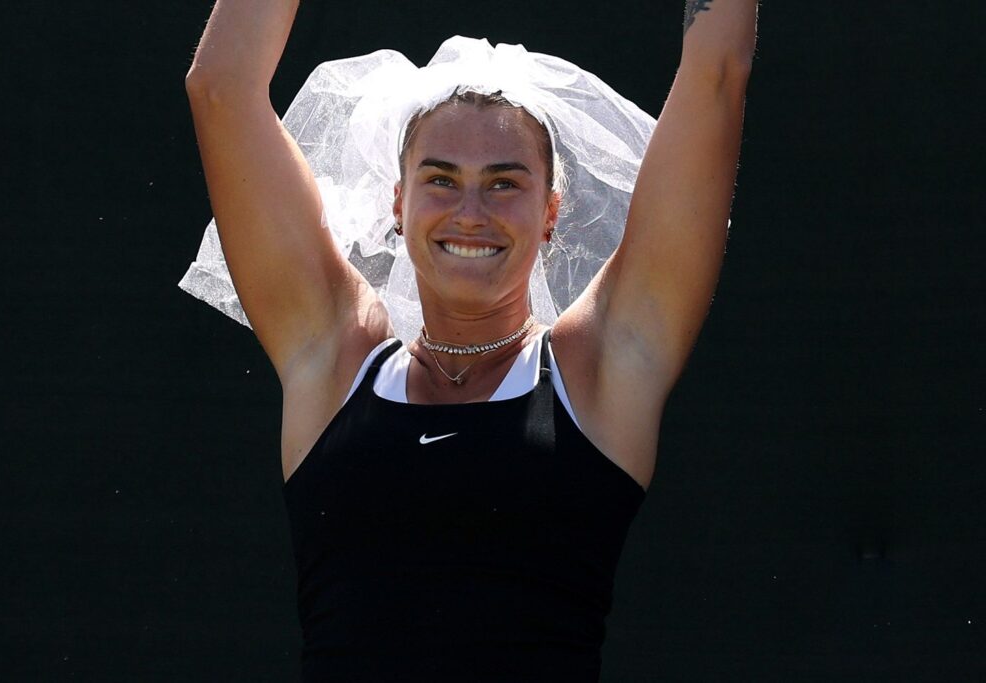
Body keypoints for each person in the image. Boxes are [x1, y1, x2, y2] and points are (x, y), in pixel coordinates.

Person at [182, 1, 757, 679]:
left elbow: (716, 75)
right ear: (398, 203)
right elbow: (221, 88)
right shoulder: (333, 357)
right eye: (441, 179)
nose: (470, 212)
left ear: (551, 211)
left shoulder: (601, 370)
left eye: (504, 183)